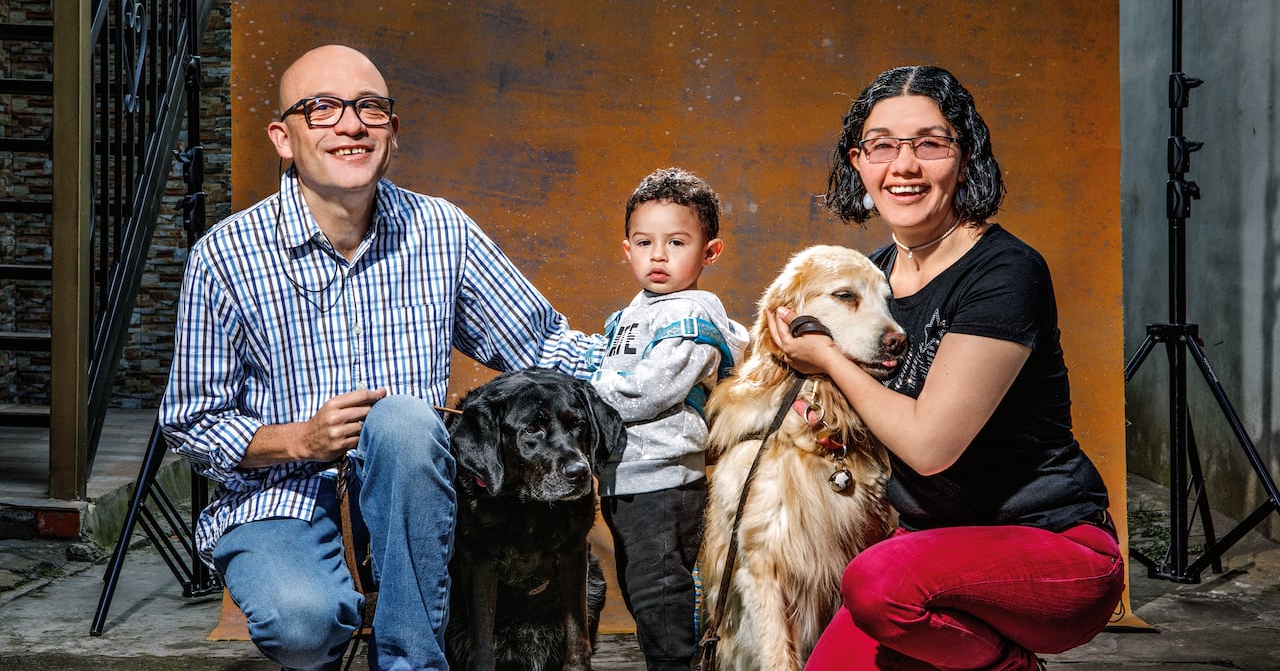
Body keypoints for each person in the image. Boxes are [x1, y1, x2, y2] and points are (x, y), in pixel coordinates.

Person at [158, 44, 604, 671]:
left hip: (416, 495)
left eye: (370, 107)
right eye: (323, 109)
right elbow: (191, 418)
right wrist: (298, 441)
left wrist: (679, 345)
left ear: (392, 133)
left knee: (403, 421)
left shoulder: (439, 230)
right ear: (283, 138)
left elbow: (543, 345)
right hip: (280, 494)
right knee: (305, 624)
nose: (351, 123)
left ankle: (409, 662)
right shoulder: (224, 258)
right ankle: (328, 610)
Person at [764, 66, 1125, 671]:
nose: (903, 167)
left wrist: (826, 358)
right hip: (927, 557)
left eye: (929, 144)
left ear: (965, 155)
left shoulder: (1006, 272)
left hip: (1051, 545)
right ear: (859, 162)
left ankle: (1014, 669)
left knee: (875, 584)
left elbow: (929, 447)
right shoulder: (870, 276)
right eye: (881, 146)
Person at [590, 168, 749, 671]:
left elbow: (650, 392)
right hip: (625, 476)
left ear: (710, 252)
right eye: (645, 242)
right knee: (641, 591)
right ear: (627, 249)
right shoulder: (637, 311)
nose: (658, 255)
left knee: (664, 595)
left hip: (665, 480)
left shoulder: (692, 316)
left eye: (676, 242)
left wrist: (584, 400)